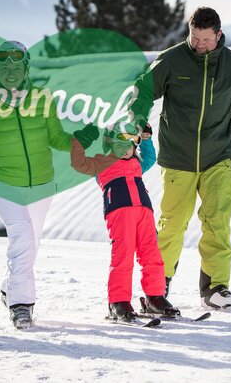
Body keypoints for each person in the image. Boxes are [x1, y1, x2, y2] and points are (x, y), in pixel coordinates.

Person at [130, 6, 231, 311]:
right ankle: (156, 289)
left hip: (217, 156)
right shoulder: (172, 59)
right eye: (194, 38)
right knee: (172, 224)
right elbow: (142, 90)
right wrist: (137, 120)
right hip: (177, 157)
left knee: (218, 222)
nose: (198, 44)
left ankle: (215, 288)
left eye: (205, 40)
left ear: (219, 35)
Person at [0, 40, 72, 330]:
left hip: (42, 184)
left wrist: (86, 141)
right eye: (4, 67)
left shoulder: (43, 99)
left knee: (31, 244)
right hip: (2, 183)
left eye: (16, 67)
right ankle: (21, 305)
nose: (10, 72)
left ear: (25, 68)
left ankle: (10, 288)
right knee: (22, 238)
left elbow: (57, 139)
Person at [69, 121, 181, 321]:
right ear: (109, 144)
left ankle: (155, 298)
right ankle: (118, 302)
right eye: (122, 144)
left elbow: (150, 157)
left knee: (152, 254)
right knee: (124, 255)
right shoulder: (101, 164)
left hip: (144, 212)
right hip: (119, 213)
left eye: (132, 145)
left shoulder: (137, 163)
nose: (128, 149)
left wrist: (146, 138)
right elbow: (78, 163)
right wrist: (81, 140)